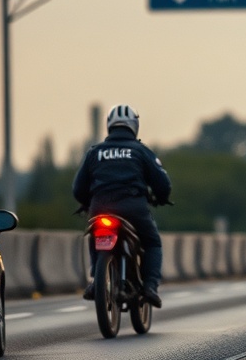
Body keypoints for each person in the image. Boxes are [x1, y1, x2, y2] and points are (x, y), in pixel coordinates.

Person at [73, 104, 172, 307]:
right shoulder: (140, 151)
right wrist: (161, 197)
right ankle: (151, 287)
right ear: (134, 126)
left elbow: (78, 187)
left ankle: (95, 280)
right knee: (153, 243)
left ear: (109, 126)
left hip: (100, 207)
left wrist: (85, 203)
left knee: (95, 234)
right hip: (133, 208)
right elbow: (162, 183)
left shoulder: (95, 152)